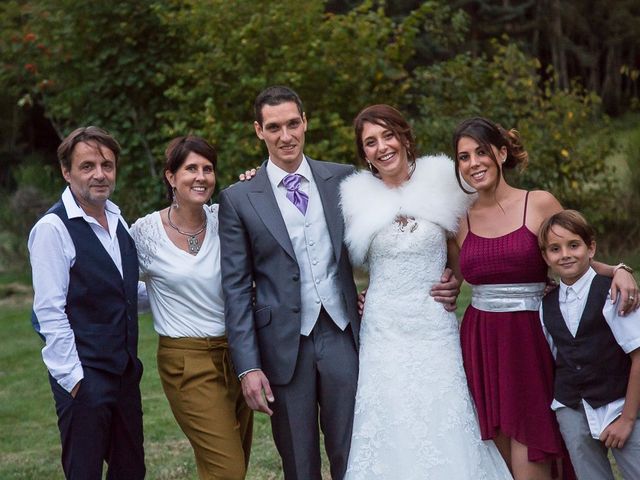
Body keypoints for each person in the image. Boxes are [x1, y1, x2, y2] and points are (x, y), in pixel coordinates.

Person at [453, 116, 639, 479]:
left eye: (481, 151)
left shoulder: (537, 203)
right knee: (498, 451)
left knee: (534, 445)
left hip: (531, 338)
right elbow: (446, 274)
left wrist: (618, 269)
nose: (473, 163)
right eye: (463, 157)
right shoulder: (458, 218)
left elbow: (571, 252)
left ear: (502, 153)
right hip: (481, 340)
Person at [340, 104, 512, 479]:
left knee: (442, 410)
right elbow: (334, 262)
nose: (382, 147)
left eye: (388, 135)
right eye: (370, 142)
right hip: (383, 327)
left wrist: (456, 281)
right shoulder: (354, 198)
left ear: (404, 136)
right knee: (390, 416)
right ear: (364, 153)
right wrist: (357, 295)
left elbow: (472, 244)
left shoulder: (441, 182)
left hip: (433, 322)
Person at [129, 136, 252, 479]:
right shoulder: (145, 232)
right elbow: (122, 286)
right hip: (187, 361)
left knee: (231, 461)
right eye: (191, 169)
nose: (201, 176)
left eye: (208, 169)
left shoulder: (225, 218)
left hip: (238, 353)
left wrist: (256, 181)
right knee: (227, 469)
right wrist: (159, 297)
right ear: (171, 176)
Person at [28, 126, 145, 479]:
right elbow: (49, 311)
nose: (100, 174)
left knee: (131, 471)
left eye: (107, 165)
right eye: (88, 166)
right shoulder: (53, 228)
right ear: (67, 172)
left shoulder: (117, 218)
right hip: (85, 378)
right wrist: (75, 380)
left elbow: (124, 292)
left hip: (124, 374)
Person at [538, 209, 640, 480]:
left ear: (591, 247)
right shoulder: (546, 304)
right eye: (555, 249)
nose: (565, 254)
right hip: (572, 408)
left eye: (574, 245)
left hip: (619, 404)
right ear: (546, 257)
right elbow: (559, 355)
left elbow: (638, 356)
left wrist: (628, 419)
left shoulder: (614, 292)